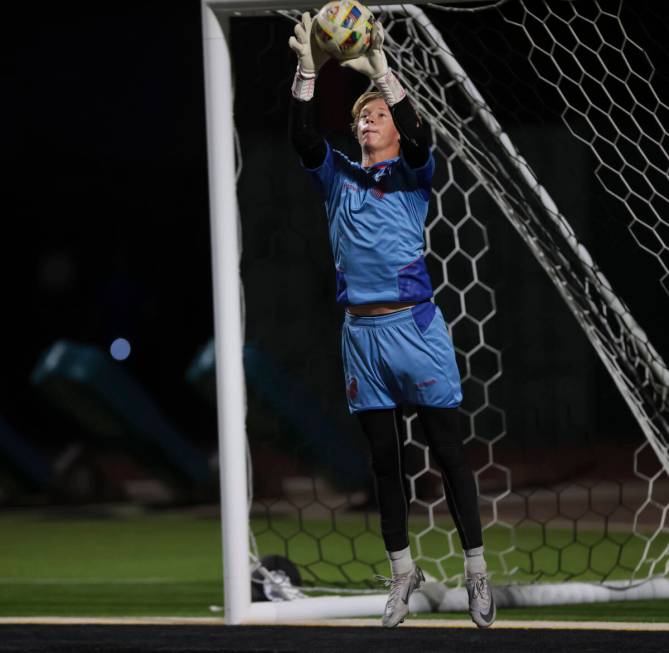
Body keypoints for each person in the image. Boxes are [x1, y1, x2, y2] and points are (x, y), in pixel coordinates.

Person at [288, 12, 495, 629]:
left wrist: (381, 71)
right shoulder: (338, 179)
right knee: (384, 460)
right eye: (358, 117)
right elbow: (302, 137)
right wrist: (308, 71)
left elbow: (422, 134)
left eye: (373, 115)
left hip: (416, 331)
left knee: (447, 452)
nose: (364, 122)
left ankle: (477, 572)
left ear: (393, 131)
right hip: (363, 337)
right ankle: (403, 571)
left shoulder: (412, 175)